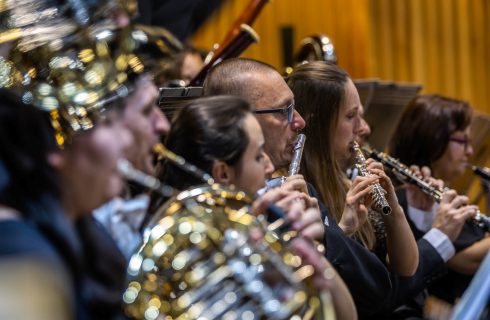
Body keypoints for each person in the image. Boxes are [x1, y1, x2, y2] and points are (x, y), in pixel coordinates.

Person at [202, 58, 475, 318]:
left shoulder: (303, 193)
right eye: (284, 110)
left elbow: (381, 284)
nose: (298, 123)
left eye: (294, 108)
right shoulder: (215, 213)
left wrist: (342, 232)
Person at [156, 95, 357, 319]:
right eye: (258, 156)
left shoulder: (263, 229)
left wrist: (313, 257)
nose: (270, 166)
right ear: (223, 173)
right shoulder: (188, 256)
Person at [390, 94, 488, 305]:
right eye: (462, 141)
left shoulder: (444, 193)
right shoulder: (409, 200)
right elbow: (465, 259)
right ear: (433, 139)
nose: (470, 151)